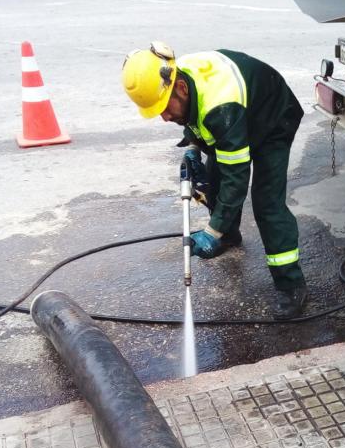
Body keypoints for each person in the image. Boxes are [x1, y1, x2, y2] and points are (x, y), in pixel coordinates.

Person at [121, 41, 307, 319]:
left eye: (164, 108)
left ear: (181, 88)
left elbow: (237, 178)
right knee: (212, 180)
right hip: (238, 115)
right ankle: (228, 236)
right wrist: (193, 148)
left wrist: (211, 230)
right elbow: (193, 114)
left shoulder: (221, 106)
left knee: (267, 204)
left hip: (272, 119)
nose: (164, 117)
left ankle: (292, 284)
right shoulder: (176, 77)